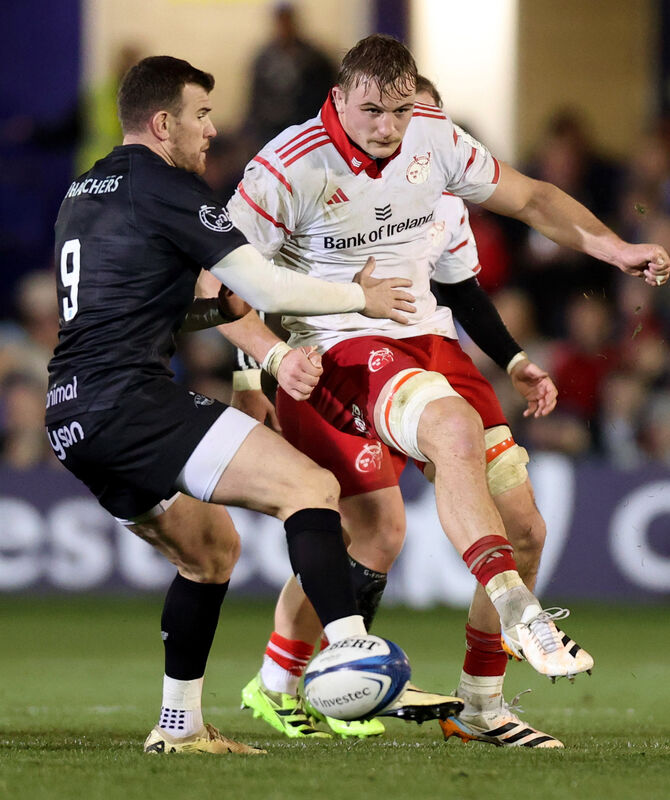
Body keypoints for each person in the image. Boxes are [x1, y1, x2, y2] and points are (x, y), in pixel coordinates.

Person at [224, 34, 669, 739]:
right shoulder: (287, 166)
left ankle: (480, 704)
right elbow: (220, 279)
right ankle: (512, 614)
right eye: (372, 111)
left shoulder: (432, 142)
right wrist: (265, 361)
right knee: (406, 488)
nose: (388, 128)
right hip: (339, 348)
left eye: (400, 111)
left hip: (428, 343)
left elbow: (530, 199)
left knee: (521, 528)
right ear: (338, 98)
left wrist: (616, 250)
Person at [43, 54, 461, 756]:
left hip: (72, 415)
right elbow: (266, 286)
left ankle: (180, 728)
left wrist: (257, 355)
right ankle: (350, 651)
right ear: (162, 121)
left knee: (211, 553)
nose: (212, 129)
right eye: (200, 115)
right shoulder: (166, 185)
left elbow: (172, 306)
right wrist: (363, 298)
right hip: (129, 401)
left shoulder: (87, 188)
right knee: (311, 486)